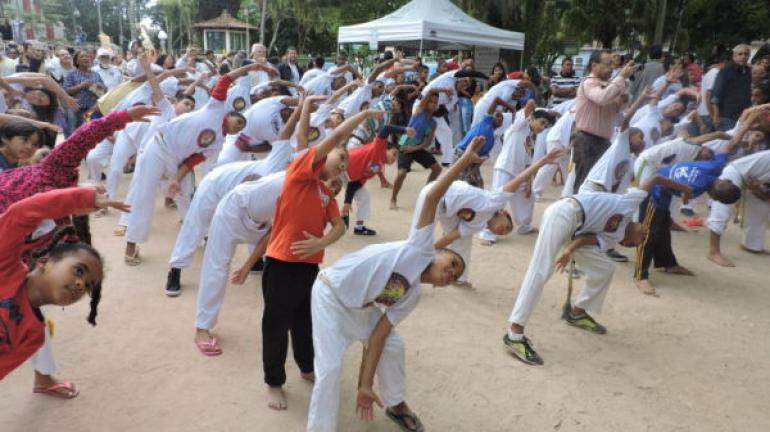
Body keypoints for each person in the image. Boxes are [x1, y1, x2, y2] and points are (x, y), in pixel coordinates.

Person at [305, 137, 485, 432]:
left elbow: (377, 336)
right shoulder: (419, 248)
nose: (450, 272)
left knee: (393, 344)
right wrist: (464, 159)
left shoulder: (411, 295)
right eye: (451, 263)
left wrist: (365, 385)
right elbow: (431, 197)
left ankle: (395, 404)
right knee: (331, 368)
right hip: (330, 296)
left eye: (453, 276)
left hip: (361, 308)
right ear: (437, 251)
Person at [260, 108, 383, 411]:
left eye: (346, 164)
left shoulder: (326, 194)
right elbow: (339, 136)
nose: (343, 165)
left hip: (308, 267)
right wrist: (364, 113)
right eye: (341, 158)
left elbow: (340, 227)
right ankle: (274, 382)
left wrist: (321, 241)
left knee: (305, 321)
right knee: (276, 325)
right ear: (322, 156)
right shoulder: (300, 173)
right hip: (281, 263)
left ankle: (306, 366)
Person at [504, 173, 692, 366]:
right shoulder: (629, 204)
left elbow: (588, 239)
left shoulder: (614, 238)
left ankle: (577, 312)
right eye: (643, 236)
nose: (644, 235)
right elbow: (654, 178)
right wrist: (684, 189)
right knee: (541, 270)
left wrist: (570, 249)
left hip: (574, 229)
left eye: (639, 241)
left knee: (605, 268)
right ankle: (514, 335)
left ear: (626, 242)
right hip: (563, 213)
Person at [122, 62, 271, 265]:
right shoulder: (216, 108)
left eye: (241, 128)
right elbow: (225, 80)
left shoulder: (217, 144)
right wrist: (254, 66)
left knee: (190, 199)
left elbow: (192, 161)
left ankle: (203, 235)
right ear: (228, 115)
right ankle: (131, 244)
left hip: (176, 162)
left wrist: (175, 179)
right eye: (238, 122)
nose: (238, 129)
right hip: (158, 147)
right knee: (144, 194)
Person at [164, 100, 304, 297]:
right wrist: (301, 108)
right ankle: (175, 270)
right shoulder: (281, 157)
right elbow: (288, 133)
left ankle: (255, 261)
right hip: (215, 185)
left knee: (261, 219)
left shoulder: (295, 183)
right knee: (195, 225)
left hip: (242, 198)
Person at [0, 187, 128, 381]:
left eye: (87, 286)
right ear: (45, 261)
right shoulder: (4, 264)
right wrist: (83, 198)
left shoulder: (34, 337)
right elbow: (20, 214)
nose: (80, 285)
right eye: (79, 270)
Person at [634, 118, 753, 295]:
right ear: (713, 197)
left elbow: (731, 144)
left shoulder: (715, 167)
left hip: (664, 192)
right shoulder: (696, 186)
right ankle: (640, 276)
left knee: (663, 228)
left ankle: (667, 264)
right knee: (650, 233)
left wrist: (747, 125)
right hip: (655, 192)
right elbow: (663, 181)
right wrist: (686, 192)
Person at [434, 146, 564, 288]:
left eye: (503, 234)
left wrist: (428, 251)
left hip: (444, 211)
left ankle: (458, 278)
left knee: (461, 238)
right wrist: (543, 160)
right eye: (506, 227)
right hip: (436, 192)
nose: (502, 231)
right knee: (422, 235)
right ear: (504, 213)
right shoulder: (495, 200)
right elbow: (519, 179)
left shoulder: (476, 226)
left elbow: (449, 238)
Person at [479, 101, 555, 243]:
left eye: (546, 126)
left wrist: (528, 181)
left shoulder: (532, 138)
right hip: (505, 168)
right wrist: (537, 109)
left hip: (519, 173)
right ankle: (487, 232)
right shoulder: (520, 125)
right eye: (542, 122)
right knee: (497, 199)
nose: (543, 127)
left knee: (527, 197)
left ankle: (524, 225)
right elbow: (531, 103)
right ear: (531, 119)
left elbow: (528, 162)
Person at [572, 50, 637, 192]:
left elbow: (615, 109)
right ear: (594, 66)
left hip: (602, 141)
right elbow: (602, 98)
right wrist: (620, 78)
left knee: (597, 185)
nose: (612, 68)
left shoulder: (607, 84)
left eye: (613, 64)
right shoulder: (589, 83)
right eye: (608, 64)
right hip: (587, 140)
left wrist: (624, 91)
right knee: (584, 184)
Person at [343, 124, 412, 236]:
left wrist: (347, 202)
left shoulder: (377, 167)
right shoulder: (379, 148)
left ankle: (359, 227)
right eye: (394, 154)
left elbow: (355, 183)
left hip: (348, 177)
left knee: (364, 196)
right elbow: (386, 128)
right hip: (340, 166)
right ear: (386, 149)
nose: (394, 159)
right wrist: (404, 130)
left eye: (396, 158)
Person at [389, 88, 449, 210]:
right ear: (426, 102)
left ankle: (425, 194)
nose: (432, 104)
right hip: (404, 145)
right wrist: (444, 90)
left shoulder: (433, 123)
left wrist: (415, 148)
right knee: (401, 173)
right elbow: (431, 90)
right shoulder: (419, 111)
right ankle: (393, 198)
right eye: (430, 101)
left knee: (437, 169)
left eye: (435, 102)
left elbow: (427, 143)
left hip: (416, 148)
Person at [711, 44, 753, 131]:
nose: (743, 56)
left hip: (744, 115)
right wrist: (716, 115)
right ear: (734, 56)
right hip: (727, 115)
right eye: (740, 54)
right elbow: (716, 95)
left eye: (746, 54)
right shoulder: (725, 71)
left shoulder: (749, 72)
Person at [63, 50, 105, 129]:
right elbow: (66, 91)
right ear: (77, 61)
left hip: (92, 110)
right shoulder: (71, 74)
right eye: (82, 57)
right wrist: (81, 86)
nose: (85, 58)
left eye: (87, 56)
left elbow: (103, 92)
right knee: (78, 133)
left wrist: (98, 87)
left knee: (90, 131)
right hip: (77, 111)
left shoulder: (95, 74)